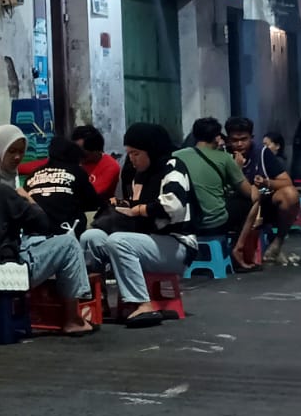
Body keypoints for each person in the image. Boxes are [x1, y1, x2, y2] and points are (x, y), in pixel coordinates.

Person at [0, 141, 95, 334]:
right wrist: (29, 199)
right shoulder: (1, 193)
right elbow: (41, 223)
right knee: (69, 244)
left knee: (31, 244)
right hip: (3, 276)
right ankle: (73, 320)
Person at [82, 123, 197, 328]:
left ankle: (143, 304)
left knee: (119, 241)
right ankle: (99, 303)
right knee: (90, 237)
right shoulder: (140, 175)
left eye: (136, 153)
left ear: (151, 150)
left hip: (177, 245)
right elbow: (138, 204)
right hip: (149, 240)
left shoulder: (173, 167)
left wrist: (137, 210)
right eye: (129, 154)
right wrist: (121, 206)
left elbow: (174, 206)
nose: (132, 159)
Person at [225, 119, 300, 267]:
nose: (239, 144)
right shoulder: (222, 154)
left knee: (290, 195)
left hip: (263, 205)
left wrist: (267, 183)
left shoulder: (262, 153)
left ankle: (278, 242)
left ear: (251, 138)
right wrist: (236, 170)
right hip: (234, 206)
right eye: (235, 140)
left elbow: (286, 181)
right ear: (228, 140)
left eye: (243, 139)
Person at [174, 116, 257, 237]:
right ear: (217, 137)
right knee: (253, 199)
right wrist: (238, 169)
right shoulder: (225, 158)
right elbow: (248, 192)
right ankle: (239, 247)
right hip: (214, 224)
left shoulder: (176, 155)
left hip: (185, 223)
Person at [24, 136, 101, 235]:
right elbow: (92, 203)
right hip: (66, 233)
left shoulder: (33, 175)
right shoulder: (77, 172)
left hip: (34, 235)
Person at [71, 125, 123, 201]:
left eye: (82, 153)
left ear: (96, 150)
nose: (77, 155)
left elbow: (91, 195)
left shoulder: (110, 166)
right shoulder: (73, 161)